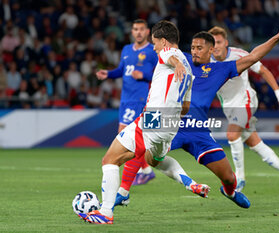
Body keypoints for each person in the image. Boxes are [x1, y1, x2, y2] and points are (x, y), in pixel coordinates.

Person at [113, 23, 279, 208]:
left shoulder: (221, 70)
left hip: (198, 130)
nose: (194, 51)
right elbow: (162, 50)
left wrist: (276, 38)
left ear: (211, 49)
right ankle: (123, 192)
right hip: (171, 124)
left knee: (228, 177)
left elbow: (254, 56)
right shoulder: (180, 59)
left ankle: (230, 191)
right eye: (192, 47)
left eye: (199, 48)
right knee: (141, 146)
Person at [78, 20, 206, 224]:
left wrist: (177, 63)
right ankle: (189, 183)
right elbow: (185, 108)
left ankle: (105, 213)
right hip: (171, 126)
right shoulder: (189, 71)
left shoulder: (169, 55)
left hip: (153, 119)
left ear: (163, 41)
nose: (153, 47)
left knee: (109, 160)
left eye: (154, 42)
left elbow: (169, 56)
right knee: (154, 160)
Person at [208, 26, 279, 194]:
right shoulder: (206, 61)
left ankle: (239, 178)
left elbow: (263, 71)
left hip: (246, 101)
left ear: (226, 42)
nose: (216, 46)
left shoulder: (239, 54)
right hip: (229, 108)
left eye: (219, 41)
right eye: (213, 42)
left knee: (232, 135)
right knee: (254, 143)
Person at [96, 19, 159, 186]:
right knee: (131, 136)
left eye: (141, 29)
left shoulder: (153, 51)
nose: (138, 32)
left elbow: (161, 74)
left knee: (124, 133)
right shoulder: (126, 50)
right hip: (126, 99)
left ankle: (142, 171)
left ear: (147, 32)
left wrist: (145, 76)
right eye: (135, 29)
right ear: (132, 32)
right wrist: (108, 74)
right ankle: (145, 170)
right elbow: (121, 70)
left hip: (139, 99)